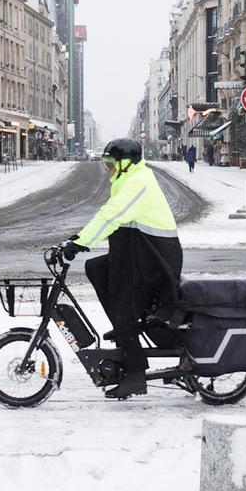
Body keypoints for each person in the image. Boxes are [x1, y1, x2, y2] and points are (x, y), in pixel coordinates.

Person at [59, 138, 182, 400]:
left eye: (111, 163)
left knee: (124, 301)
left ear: (126, 163)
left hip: (157, 260)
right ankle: (125, 323)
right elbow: (112, 217)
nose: (107, 169)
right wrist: (80, 237)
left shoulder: (139, 181)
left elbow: (112, 215)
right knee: (97, 268)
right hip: (143, 254)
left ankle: (135, 375)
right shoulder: (129, 180)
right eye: (105, 164)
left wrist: (80, 243)